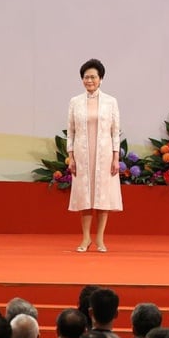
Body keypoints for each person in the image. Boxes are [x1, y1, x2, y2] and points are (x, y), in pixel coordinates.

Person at [66, 59, 122, 253]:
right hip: (82, 155)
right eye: (86, 77)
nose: (89, 80)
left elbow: (116, 131)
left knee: (102, 196)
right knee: (85, 196)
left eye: (93, 77)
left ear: (101, 79)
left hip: (104, 155)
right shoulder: (75, 102)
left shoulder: (110, 101)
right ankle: (85, 238)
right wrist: (71, 156)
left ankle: (100, 239)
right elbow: (70, 131)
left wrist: (116, 158)